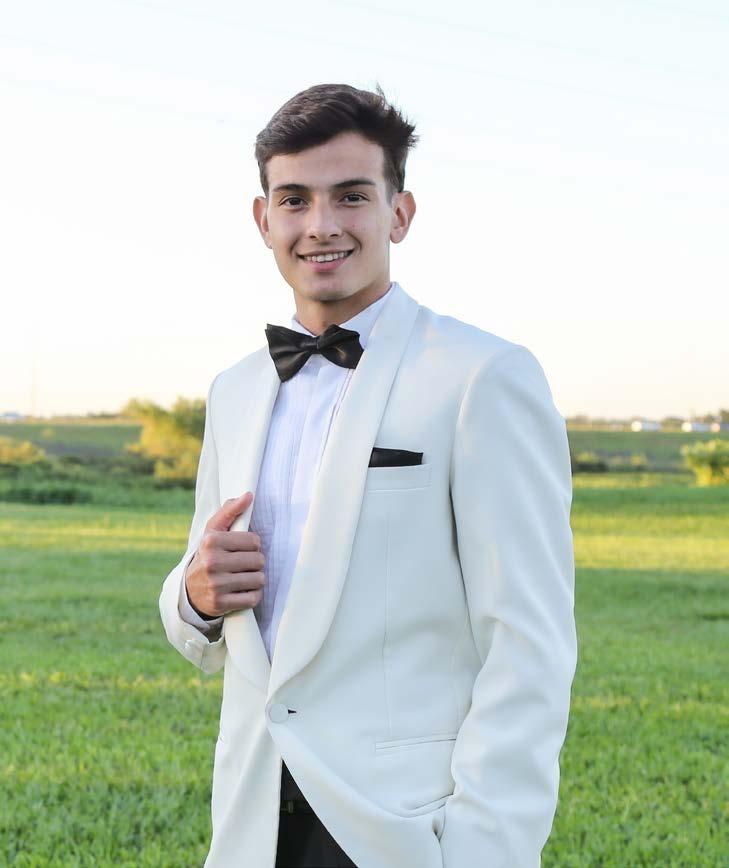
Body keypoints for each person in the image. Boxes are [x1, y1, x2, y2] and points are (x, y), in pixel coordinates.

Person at [159, 82, 577, 868]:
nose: (320, 224)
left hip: (404, 830)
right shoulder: (234, 390)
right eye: (294, 200)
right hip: (253, 819)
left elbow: (528, 644)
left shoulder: (482, 377)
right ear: (263, 220)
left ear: (399, 213)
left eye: (350, 196)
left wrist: (485, 849)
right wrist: (194, 595)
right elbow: (202, 614)